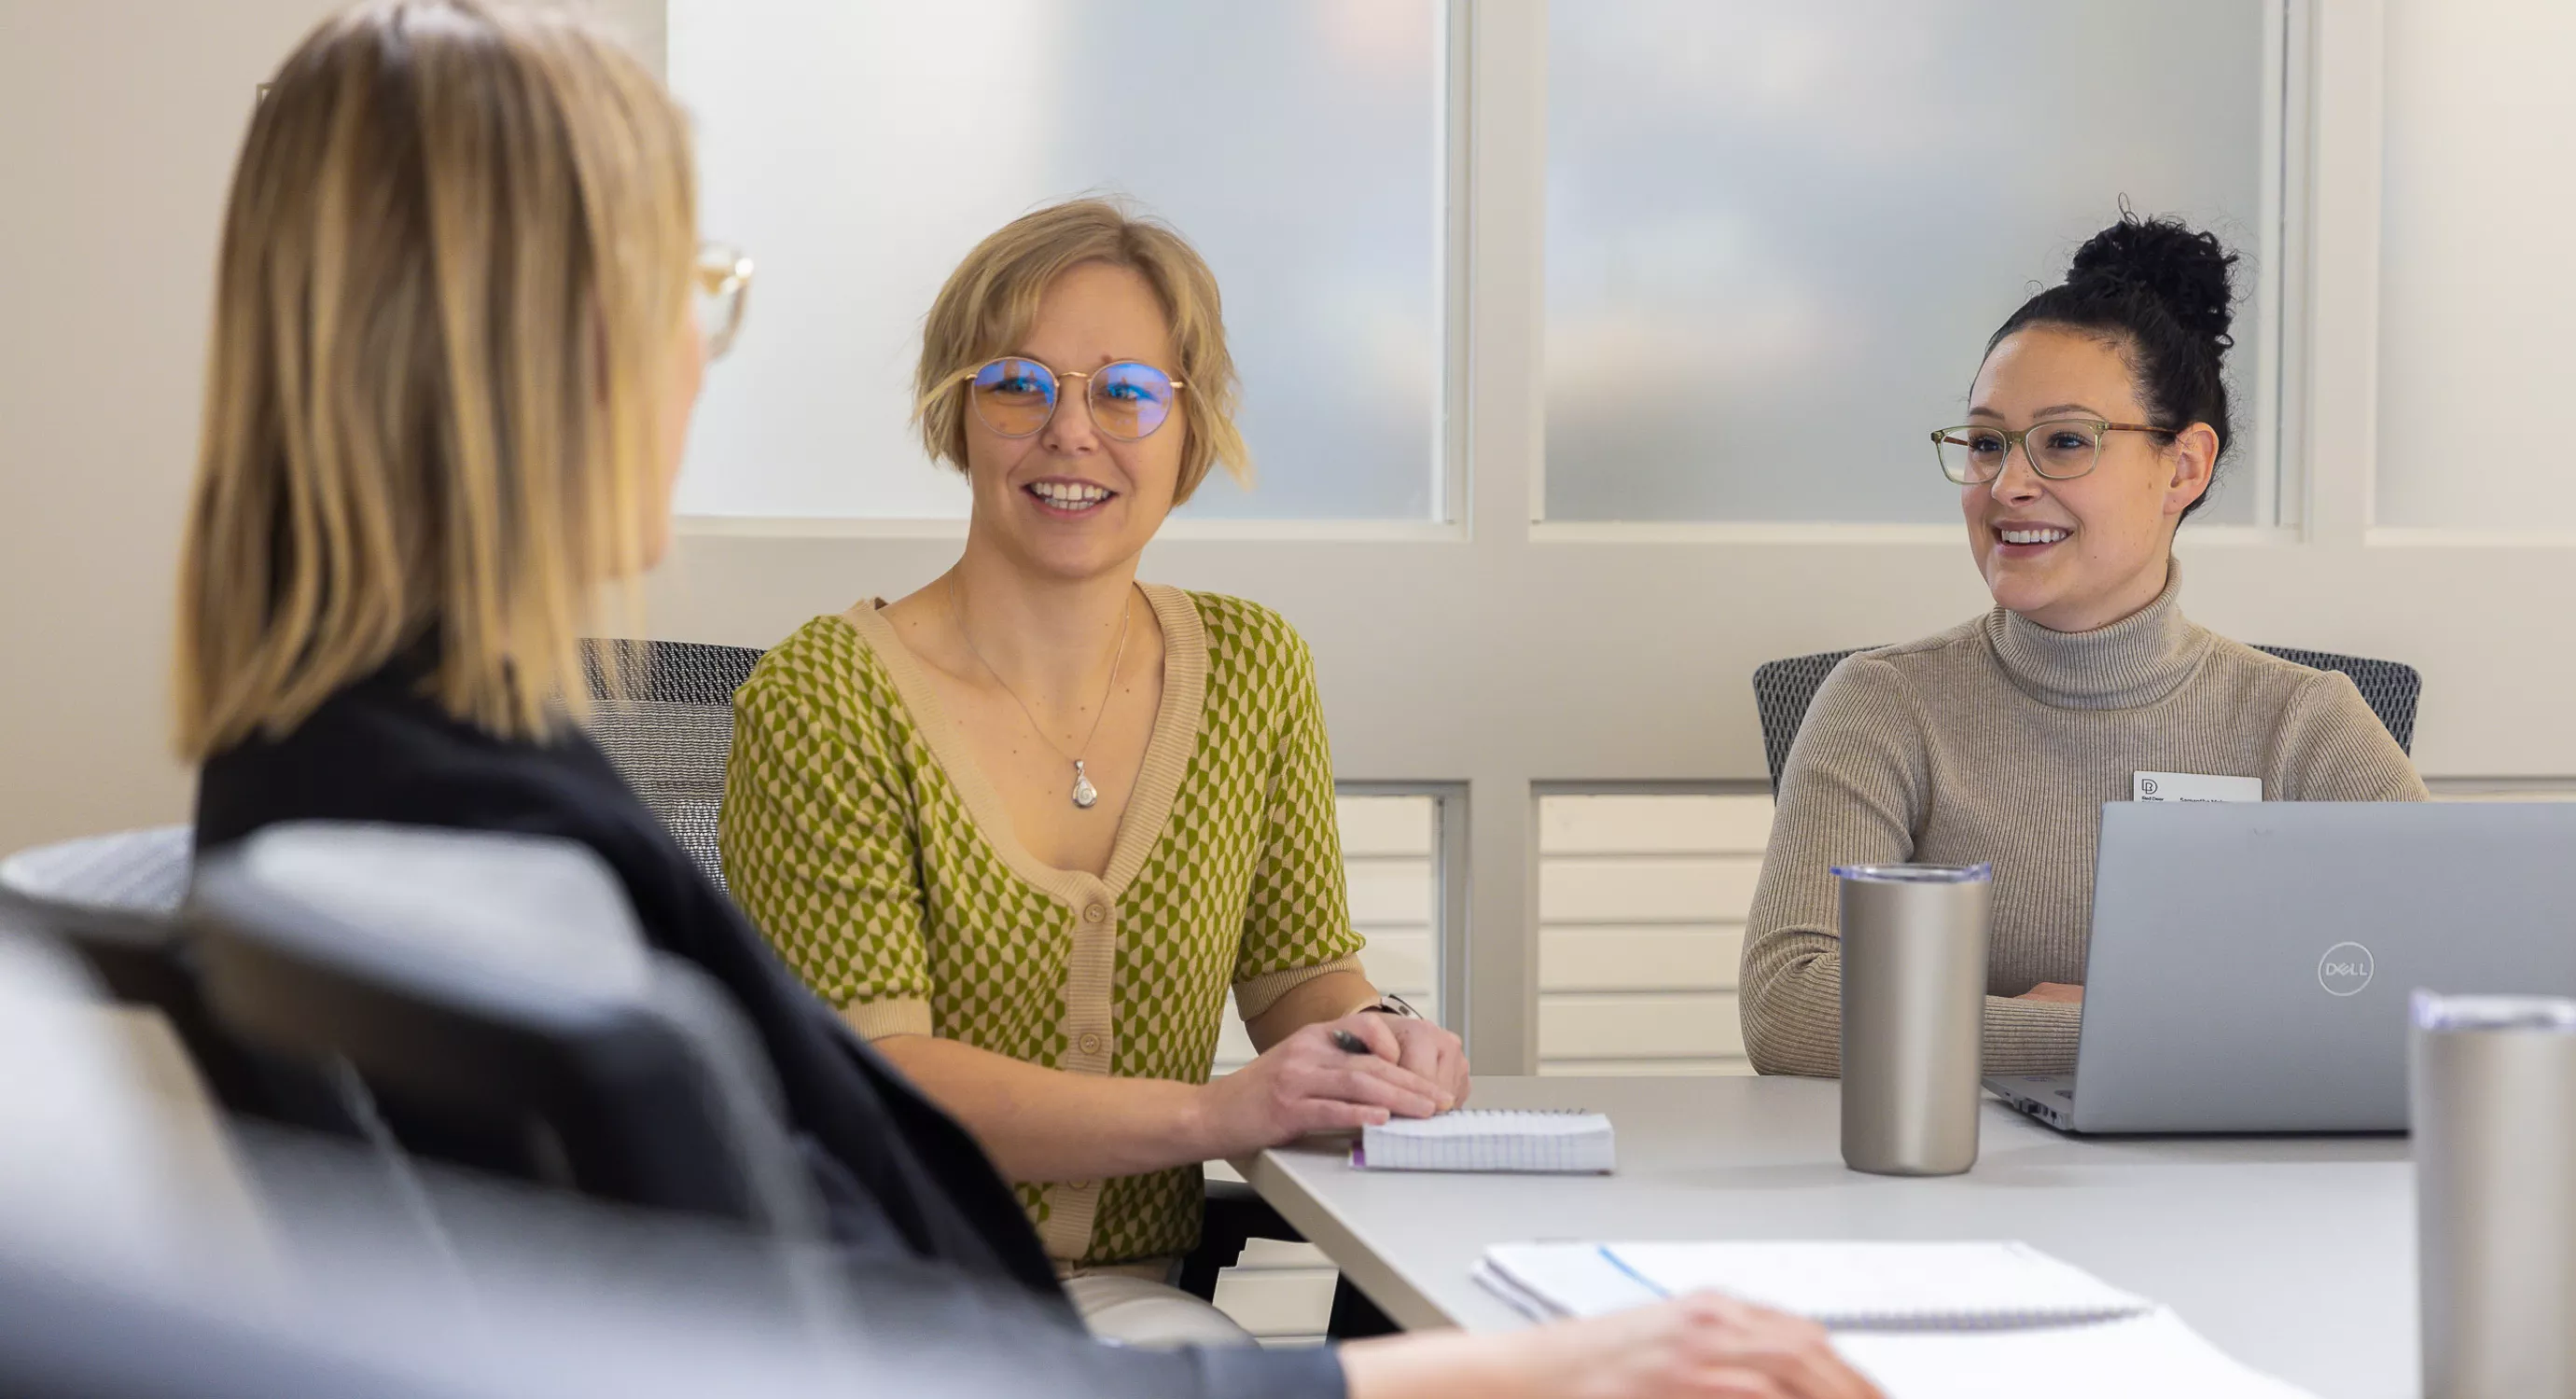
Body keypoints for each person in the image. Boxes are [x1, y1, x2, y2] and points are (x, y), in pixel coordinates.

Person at [172, 5, 1874, 1397]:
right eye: (688, 295)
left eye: (1130, 393)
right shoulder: (494, 833)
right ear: (520, 348)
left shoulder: (392, 782)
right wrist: (1547, 1366)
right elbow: (896, 1358)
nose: (702, 355)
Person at [717, 201, 1463, 1335]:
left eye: (1125, 392)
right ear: (959, 411)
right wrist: (1214, 1114)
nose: (1071, 431)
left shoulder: (1252, 670)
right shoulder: (825, 697)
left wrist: (1375, 1047)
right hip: (869, 1300)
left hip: (1124, 1308)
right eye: (1019, 381)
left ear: (1188, 430)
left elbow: (1299, 979)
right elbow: (876, 1080)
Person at [1738, 214, 2428, 1081]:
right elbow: (1789, 1006)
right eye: (1987, 444)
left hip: (2235, 1200)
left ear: (2184, 468)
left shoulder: (2306, 725)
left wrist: (2072, 1024)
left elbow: (2438, 994)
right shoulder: (1883, 703)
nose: (2009, 485)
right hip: (1950, 1191)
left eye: (2065, 441)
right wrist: (2104, 1032)